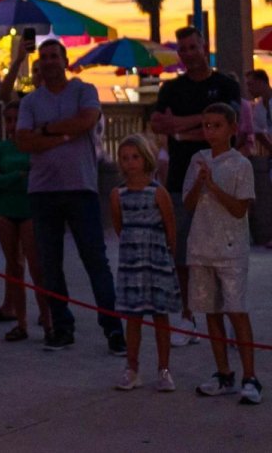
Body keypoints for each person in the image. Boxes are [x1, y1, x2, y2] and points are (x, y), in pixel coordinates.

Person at [17, 39, 125, 354]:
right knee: (50, 264)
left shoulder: (84, 90)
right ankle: (62, 328)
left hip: (81, 189)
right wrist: (64, 134)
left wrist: (45, 131)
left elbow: (87, 120)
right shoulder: (29, 102)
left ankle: (113, 329)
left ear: (65, 60)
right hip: (42, 192)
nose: (49, 62)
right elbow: (23, 142)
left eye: (55, 56)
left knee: (96, 261)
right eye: (45, 57)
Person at [149, 26, 241, 343]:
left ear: (204, 47)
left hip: (222, 182)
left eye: (193, 47)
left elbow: (226, 128)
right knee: (183, 254)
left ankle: (226, 318)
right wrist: (200, 123)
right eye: (183, 49)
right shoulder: (171, 89)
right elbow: (158, 123)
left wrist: (181, 127)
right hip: (180, 181)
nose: (188, 54)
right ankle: (187, 319)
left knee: (221, 257)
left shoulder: (225, 84)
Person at [184, 104, 262, 405]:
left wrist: (213, 186)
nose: (210, 131)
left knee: (235, 310)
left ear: (231, 128)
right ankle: (223, 372)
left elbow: (240, 208)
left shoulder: (240, 164)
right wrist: (200, 183)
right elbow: (189, 203)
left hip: (231, 249)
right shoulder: (197, 160)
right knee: (211, 311)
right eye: (206, 125)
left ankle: (250, 376)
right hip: (201, 246)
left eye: (217, 125)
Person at [110, 135, 179, 392]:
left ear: (146, 158)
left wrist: (167, 255)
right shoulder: (118, 194)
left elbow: (170, 226)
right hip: (132, 263)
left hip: (156, 259)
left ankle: (164, 368)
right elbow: (119, 225)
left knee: (160, 315)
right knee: (134, 317)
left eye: (135, 157)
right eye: (125, 158)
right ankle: (132, 367)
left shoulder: (157, 192)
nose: (130, 163)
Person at [0, 100, 49, 341]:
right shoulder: (0, 148)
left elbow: (37, 176)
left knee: (36, 266)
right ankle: (21, 322)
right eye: (8, 120)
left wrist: (5, 177)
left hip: (29, 209)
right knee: (14, 267)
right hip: (5, 210)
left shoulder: (34, 147)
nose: (11, 125)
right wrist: (17, 176)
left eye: (15, 119)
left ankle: (48, 319)